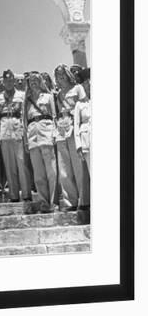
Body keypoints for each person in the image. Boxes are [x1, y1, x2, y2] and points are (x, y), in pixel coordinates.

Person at [0, 70, 31, 203]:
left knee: (22, 164)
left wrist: (26, 132)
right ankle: (14, 195)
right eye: (6, 80)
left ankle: (26, 194)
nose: (8, 82)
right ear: (3, 82)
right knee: (9, 166)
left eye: (11, 80)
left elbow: (25, 114)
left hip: (18, 132)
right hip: (4, 133)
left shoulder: (22, 95)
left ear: (14, 81)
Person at [54, 64, 88, 211]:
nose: (61, 77)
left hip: (74, 127)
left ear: (68, 74)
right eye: (58, 75)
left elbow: (85, 106)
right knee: (64, 168)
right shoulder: (57, 94)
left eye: (63, 74)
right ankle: (70, 202)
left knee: (79, 166)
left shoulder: (78, 88)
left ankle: (85, 200)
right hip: (61, 128)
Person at [24, 72, 58, 213]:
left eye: (36, 80)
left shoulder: (48, 97)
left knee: (51, 171)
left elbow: (55, 115)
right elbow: (24, 121)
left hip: (46, 131)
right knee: (38, 174)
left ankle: (53, 202)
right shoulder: (26, 101)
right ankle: (44, 202)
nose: (33, 83)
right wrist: (26, 139)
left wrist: (55, 133)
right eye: (31, 81)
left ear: (40, 82)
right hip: (32, 135)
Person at [74, 68, 91, 209]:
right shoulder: (80, 104)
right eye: (86, 82)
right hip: (87, 143)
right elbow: (76, 125)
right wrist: (78, 146)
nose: (89, 84)